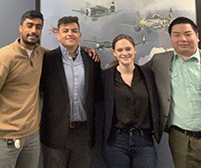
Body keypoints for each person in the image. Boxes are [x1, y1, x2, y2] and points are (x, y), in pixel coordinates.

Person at [145, 16, 201, 167]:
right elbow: (134, 73)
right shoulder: (159, 61)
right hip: (182, 141)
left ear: (197, 37)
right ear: (171, 39)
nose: (182, 39)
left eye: (187, 34)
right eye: (176, 35)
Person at [40, 16, 101, 168]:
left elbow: (98, 94)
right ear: (58, 35)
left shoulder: (91, 59)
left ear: (80, 35)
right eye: (65, 31)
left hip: (83, 133)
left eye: (74, 30)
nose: (70, 34)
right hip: (55, 132)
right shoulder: (47, 59)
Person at [101, 34, 162, 168]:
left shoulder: (148, 75)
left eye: (128, 49)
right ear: (114, 53)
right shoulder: (105, 77)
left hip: (143, 140)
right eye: (120, 50)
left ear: (134, 49)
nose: (125, 53)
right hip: (116, 141)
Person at [0, 10, 46, 168]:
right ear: (20, 28)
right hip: (6, 138)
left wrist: (87, 52)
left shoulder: (41, 53)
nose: (33, 30)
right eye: (29, 25)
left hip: (32, 136)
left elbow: (64, 55)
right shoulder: (5, 56)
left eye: (38, 27)